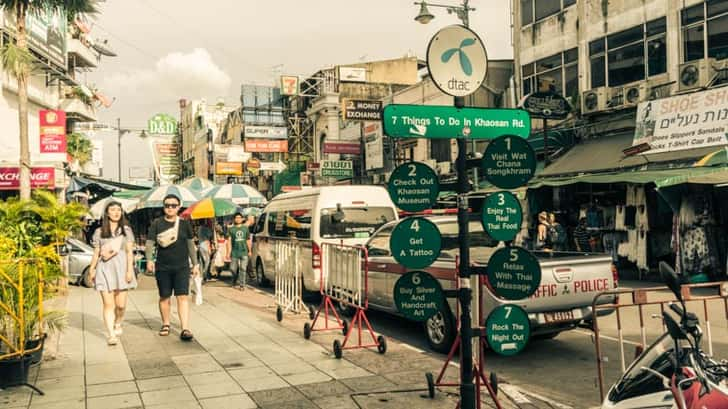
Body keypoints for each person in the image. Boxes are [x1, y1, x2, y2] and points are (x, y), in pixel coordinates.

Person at [145, 194, 200, 341]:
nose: (170, 208)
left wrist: (195, 264)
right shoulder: (156, 224)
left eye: (173, 205)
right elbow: (149, 243)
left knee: (183, 297)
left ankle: (185, 328)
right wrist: (149, 260)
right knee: (164, 296)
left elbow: (190, 245)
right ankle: (166, 324)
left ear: (178, 207)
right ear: (164, 207)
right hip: (163, 267)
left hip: (182, 267)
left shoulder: (185, 224)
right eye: (167, 205)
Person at [88, 201, 137, 345]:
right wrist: (92, 269)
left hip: (121, 269)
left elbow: (129, 252)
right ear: (107, 213)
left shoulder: (126, 231)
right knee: (108, 305)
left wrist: (129, 270)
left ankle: (118, 322)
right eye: (112, 209)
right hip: (105, 269)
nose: (116, 212)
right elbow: (96, 252)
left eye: (118, 210)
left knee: (120, 305)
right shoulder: (99, 232)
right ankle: (111, 335)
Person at [227, 213, 252, 290]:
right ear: (234, 219)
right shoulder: (231, 229)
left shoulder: (245, 228)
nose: (238, 219)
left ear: (242, 219)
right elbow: (229, 241)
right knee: (232, 269)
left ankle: (242, 285)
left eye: (239, 217)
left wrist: (250, 250)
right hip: (234, 252)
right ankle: (234, 279)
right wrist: (228, 252)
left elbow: (248, 240)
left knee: (243, 268)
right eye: (236, 218)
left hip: (244, 251)